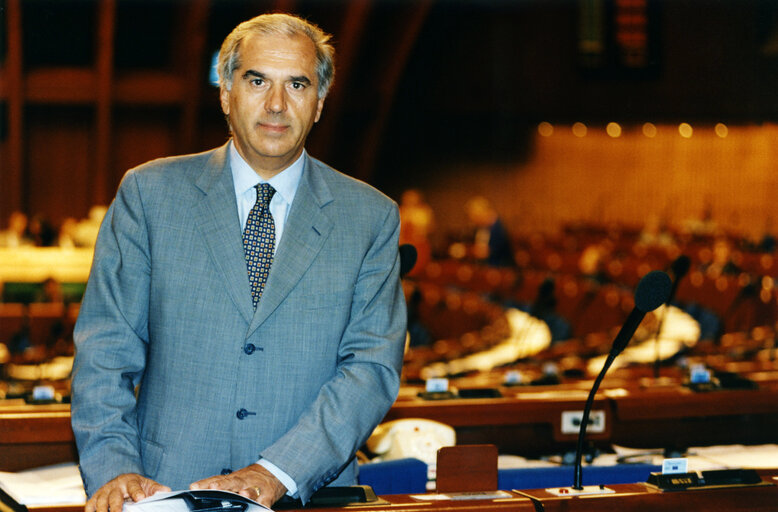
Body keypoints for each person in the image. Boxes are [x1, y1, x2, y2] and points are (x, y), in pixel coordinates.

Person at [70, 13, 406, 512]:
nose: (276, 104)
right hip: (162, 493)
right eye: (256, 81)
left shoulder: (370, 217)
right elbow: (104, 352)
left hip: (305, 496)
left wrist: (276, 472)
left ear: (319, 103)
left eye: (297, 84)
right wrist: (116, 468)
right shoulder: (149, 194)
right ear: (226, 94)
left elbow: (370, 368)